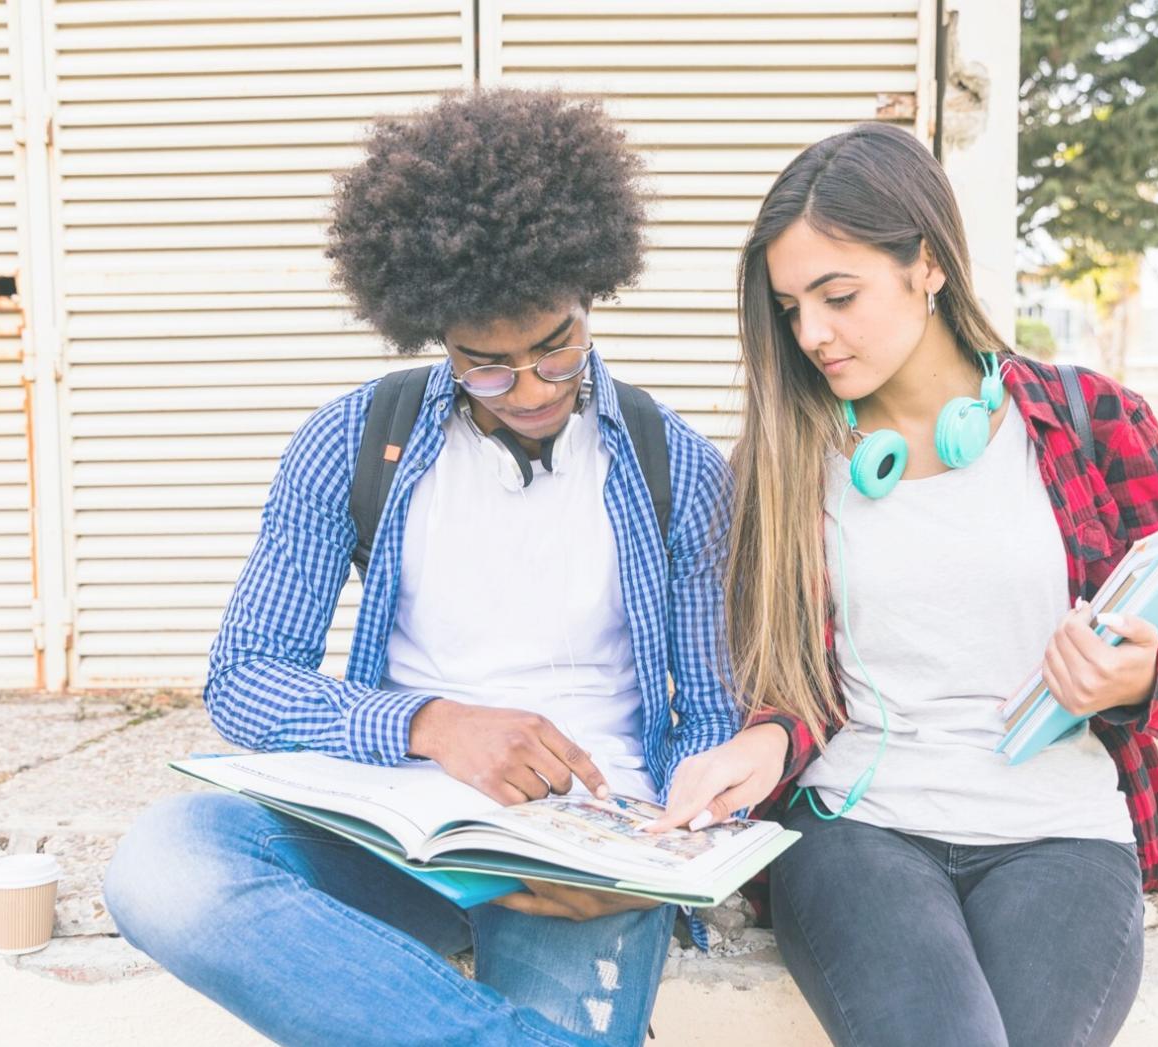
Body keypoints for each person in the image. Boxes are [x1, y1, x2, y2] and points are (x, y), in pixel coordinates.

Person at [103, 88, 736, 1047]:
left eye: (555, 348)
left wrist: (657, 857)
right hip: (399, 837)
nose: (527, 390)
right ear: (432, 330)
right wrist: (432, 724)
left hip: (585, 860)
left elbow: (712, 713)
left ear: (591, 295)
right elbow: (243, 680)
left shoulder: (674, 466)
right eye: (486, 364)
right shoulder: (355, 440)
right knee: (166, 860)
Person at [645, 123, 1158, 1046]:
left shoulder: (1096, 421)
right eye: (792, 306)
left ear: (927, 263)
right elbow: (796, 692)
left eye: (839, 295)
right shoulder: (786, 462)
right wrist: (760, 742)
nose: (813, 334)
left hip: (1064, 830)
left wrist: (1139, 678)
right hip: (858, 832)